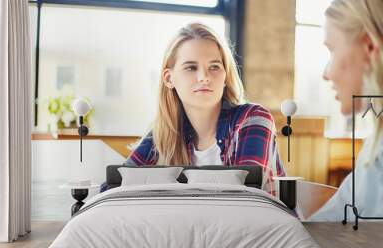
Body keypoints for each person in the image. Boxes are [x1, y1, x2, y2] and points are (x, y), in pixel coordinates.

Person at [121, 23, 285, 194]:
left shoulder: (253, 119)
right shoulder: (161, 136)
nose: (204, 77)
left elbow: (244, 198)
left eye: (214, 67)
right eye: (191, 67)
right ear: (169, 79)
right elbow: (114, 189)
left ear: (225, 76)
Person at [310, 0, 383, 221]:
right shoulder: (374, 145)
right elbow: (328, 225)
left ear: (369, 46)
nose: (326, 73)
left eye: (331, 50)